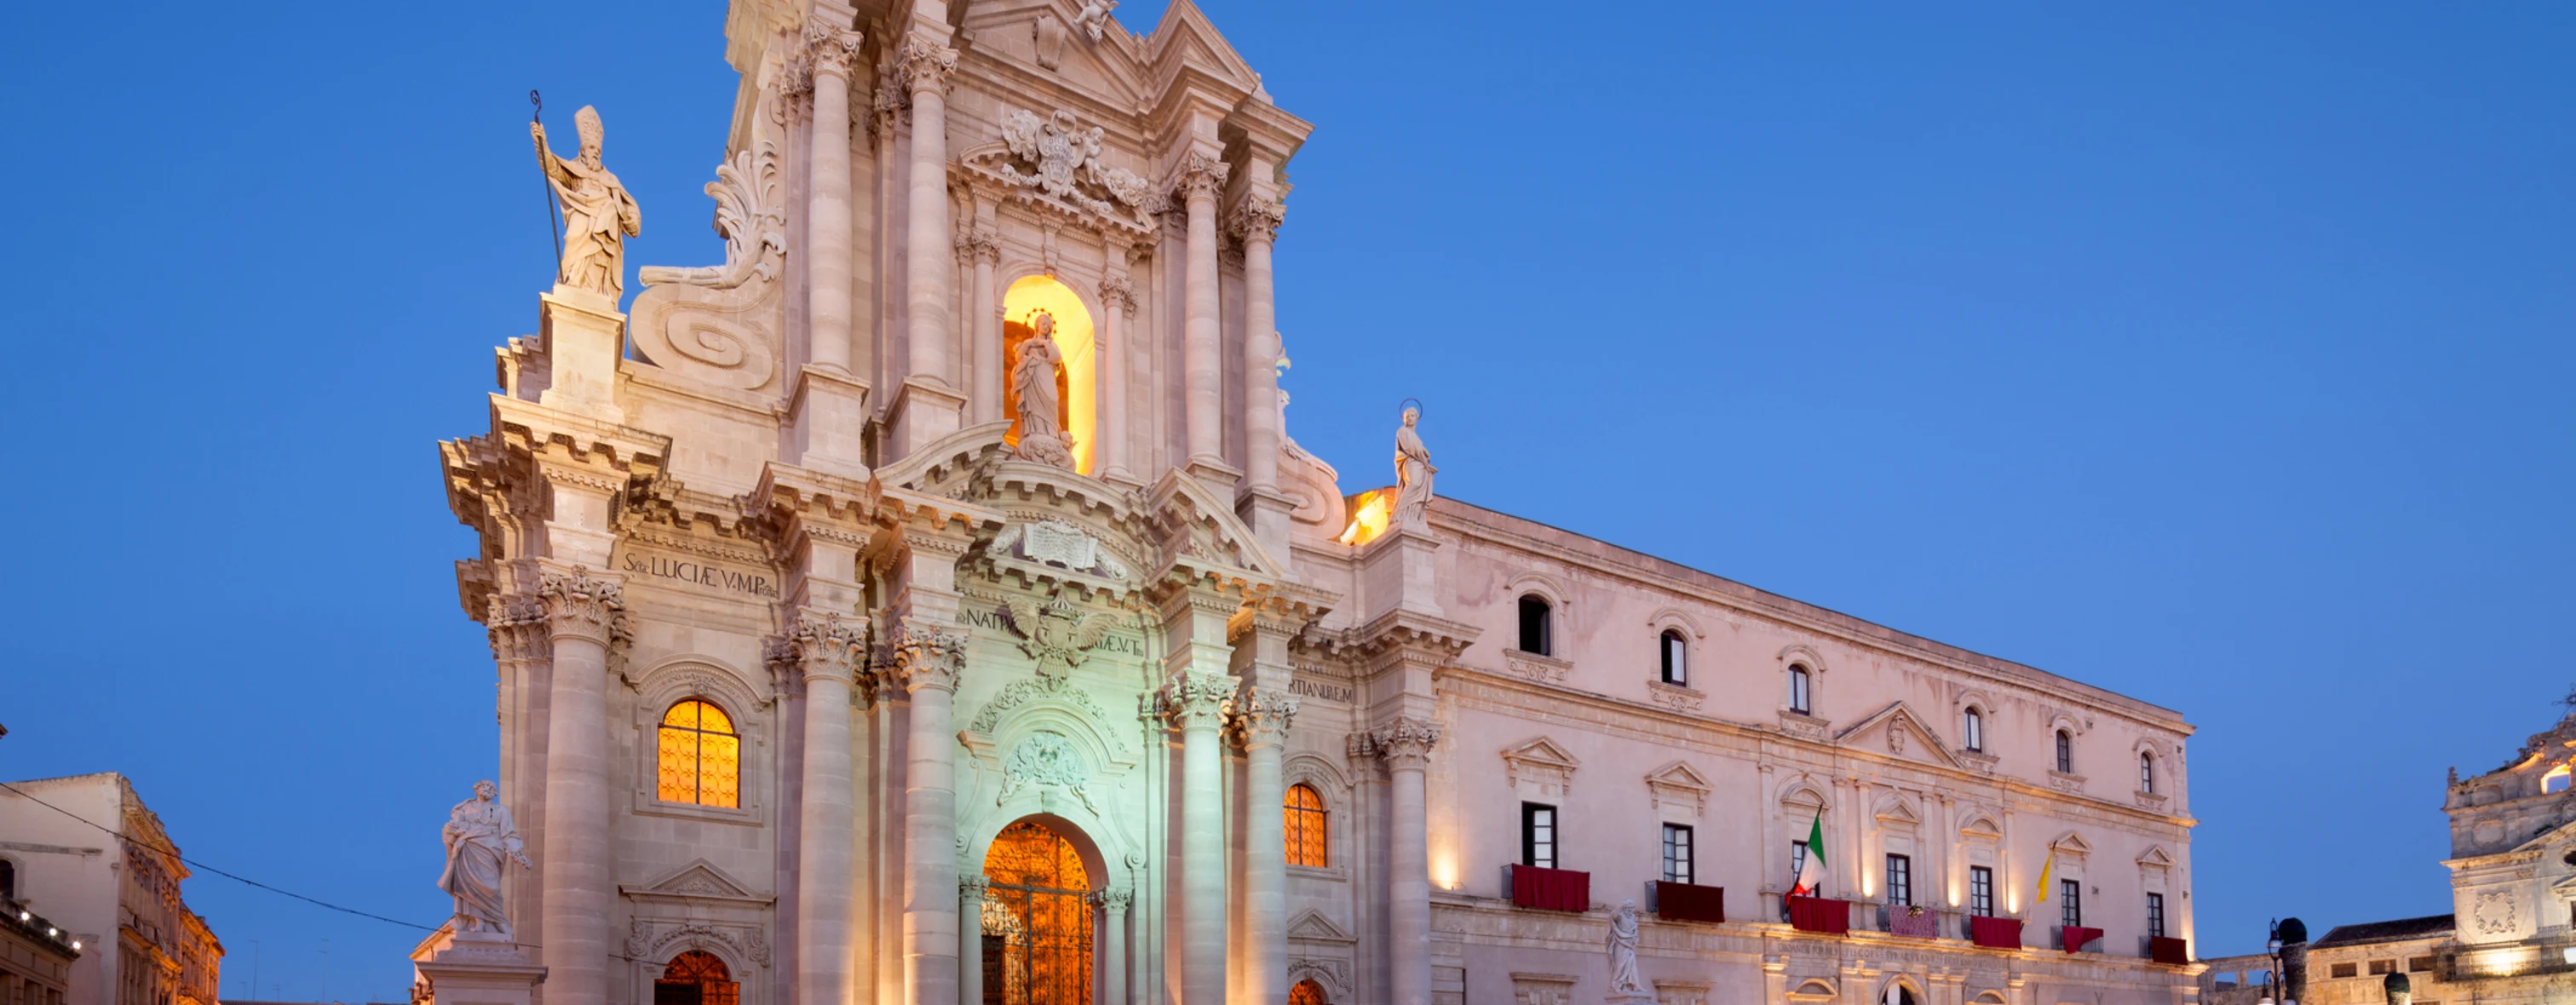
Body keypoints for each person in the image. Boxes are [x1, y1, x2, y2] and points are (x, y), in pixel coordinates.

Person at [533, 106, 642, 298]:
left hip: (606, 222)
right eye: (592, 148)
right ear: (582, 149)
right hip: (582, 215)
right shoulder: (575, 170)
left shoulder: (611, 180)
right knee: (572, 244)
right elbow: (551, 167)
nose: (596, 153)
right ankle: (573, 280)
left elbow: (628, 207)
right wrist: (541, 143)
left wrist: (632, 218)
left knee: (599, 256)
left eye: (598, 150)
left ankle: (595, 290)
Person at [440, 780, 532, 935]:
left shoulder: (501, 811)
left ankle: (497, 919)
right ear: (477, 790)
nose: (488, 789)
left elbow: (509, 833)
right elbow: (453, 828)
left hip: (491, 850)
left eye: (491, 788)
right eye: (484, 786)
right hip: (468, 849)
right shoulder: (464, 808)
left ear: (495, 793)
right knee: (469, 886)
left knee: (491, 887)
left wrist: (516, 852)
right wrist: (449, 831)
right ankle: (479, 922)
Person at [1394, 405, 1435, 528]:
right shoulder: (1402, 431)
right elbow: (1409, 448)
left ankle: (1413, 516)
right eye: (1407, 417)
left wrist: (1425, 462)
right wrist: (1423, 453)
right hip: (1410, 462)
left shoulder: (1417, 438)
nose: (1410, 419)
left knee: (1419, 490)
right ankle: (1399, 513)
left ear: (1417, 418)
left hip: (1420, 465)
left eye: (1412, 416)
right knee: (1414, 484)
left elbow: (1416, 448)